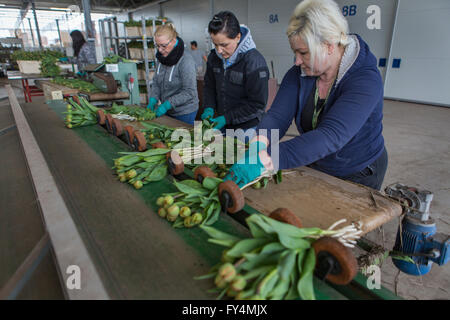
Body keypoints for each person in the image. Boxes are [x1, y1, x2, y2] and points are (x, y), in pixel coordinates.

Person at [224, 0, 388, 191]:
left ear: (329, 45)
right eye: (295, 52)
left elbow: (330, 135)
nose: (297, 61)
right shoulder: (301, 72)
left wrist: (266, 159)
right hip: (316, 161)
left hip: (357, 171)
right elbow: (277, 116)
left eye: (303, 52)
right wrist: (258, 143)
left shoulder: (364, 80)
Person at [201, 11, 269, 135]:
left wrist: (227, 118)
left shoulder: (254, 63)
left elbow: (257, 104)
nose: (219, 50)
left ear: (238, 37)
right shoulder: (213, 57)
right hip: (222, 125)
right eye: (215, 44)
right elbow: (209, 86)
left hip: (247, 128)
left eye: (224, 45)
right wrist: (209, 107)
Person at [146, 24, 199, 125]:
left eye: (164, 46)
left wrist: (167, 104)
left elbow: (189, 92)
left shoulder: (185, 60)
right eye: (157, 46)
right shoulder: (161, 58)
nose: (160, 50)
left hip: (184, 111)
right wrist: (153, 99)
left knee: (181, 139)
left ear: (174, 40)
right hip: (168, 110)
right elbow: (157, 82)